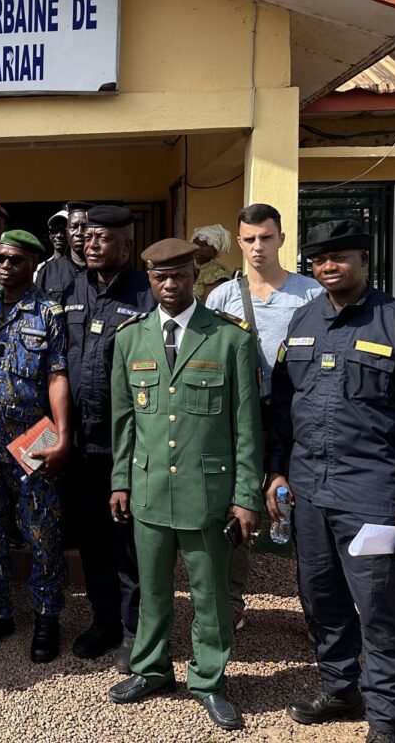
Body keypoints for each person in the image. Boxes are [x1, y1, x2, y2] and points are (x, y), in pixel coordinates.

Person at [267, 220, 395, 743]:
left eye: (340, 256)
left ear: (364, 260)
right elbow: (282, 404)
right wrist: (276, 470)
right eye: (319, 259)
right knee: (320, 598)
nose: (329, 266)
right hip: (308, 490)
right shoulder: (304, 320)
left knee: (377, 608)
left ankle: (385, 724)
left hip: (373, 491)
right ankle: (340, 688)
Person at [107, 239, 262, 732]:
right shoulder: (129, 338)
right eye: (160, 277)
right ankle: (151, 668)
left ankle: (209, 680)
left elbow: (246, 427)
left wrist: (245, 497)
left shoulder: (230, 339)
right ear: (149, 280)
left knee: (210, 596)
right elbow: (124, 421)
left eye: (178, 275)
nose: (170, 285)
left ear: (195, 275)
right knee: (152, 591)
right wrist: (120, 481)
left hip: (207, 493)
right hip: (149, 488)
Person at [205, 203, 322, 631]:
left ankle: (319, 612)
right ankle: (232, 601)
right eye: (250, 239)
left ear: (281, 239)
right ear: (239, 242)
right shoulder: (221, 296)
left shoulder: (310, 293)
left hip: (298, 416)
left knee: (307, 513)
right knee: (235, 507)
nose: (258, 247)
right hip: (241, 419)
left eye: (266, 238)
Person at [0, 231, 71, 663]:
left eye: (15, 259)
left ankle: (48, 615)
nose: (6, 266)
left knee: (41, 531)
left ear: (33, 263)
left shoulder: (48, 312)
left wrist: (62, 435)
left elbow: (57, 375)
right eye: (1, 259)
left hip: (34, 438)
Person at [62, 205, 153, 669]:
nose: (91, 243)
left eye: (103, 238)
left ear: (127, 246)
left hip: (126, 445)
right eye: (88, 236)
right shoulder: (71, 289)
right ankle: (104, 621)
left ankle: (136, 630)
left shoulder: (145, 294)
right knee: (93, 540)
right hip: (79, 446)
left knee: (129, 545)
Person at [35, 201, 91, 304]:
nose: (79, 232)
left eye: (84, 226)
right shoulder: (46, 270)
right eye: (74, 227)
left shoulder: (103, 269)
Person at [191, 224, 233, 302]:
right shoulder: (190, 267)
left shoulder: (218, 274)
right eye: (196, 243)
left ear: (215, 250)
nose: (198, 248)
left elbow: (210, 305)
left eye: (204, 245)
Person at [34, 210, 69, 281]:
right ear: (50, 235)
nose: (59, 235)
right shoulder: (41, 269)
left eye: (64, 230)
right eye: (54, 230)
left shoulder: (81, 266)